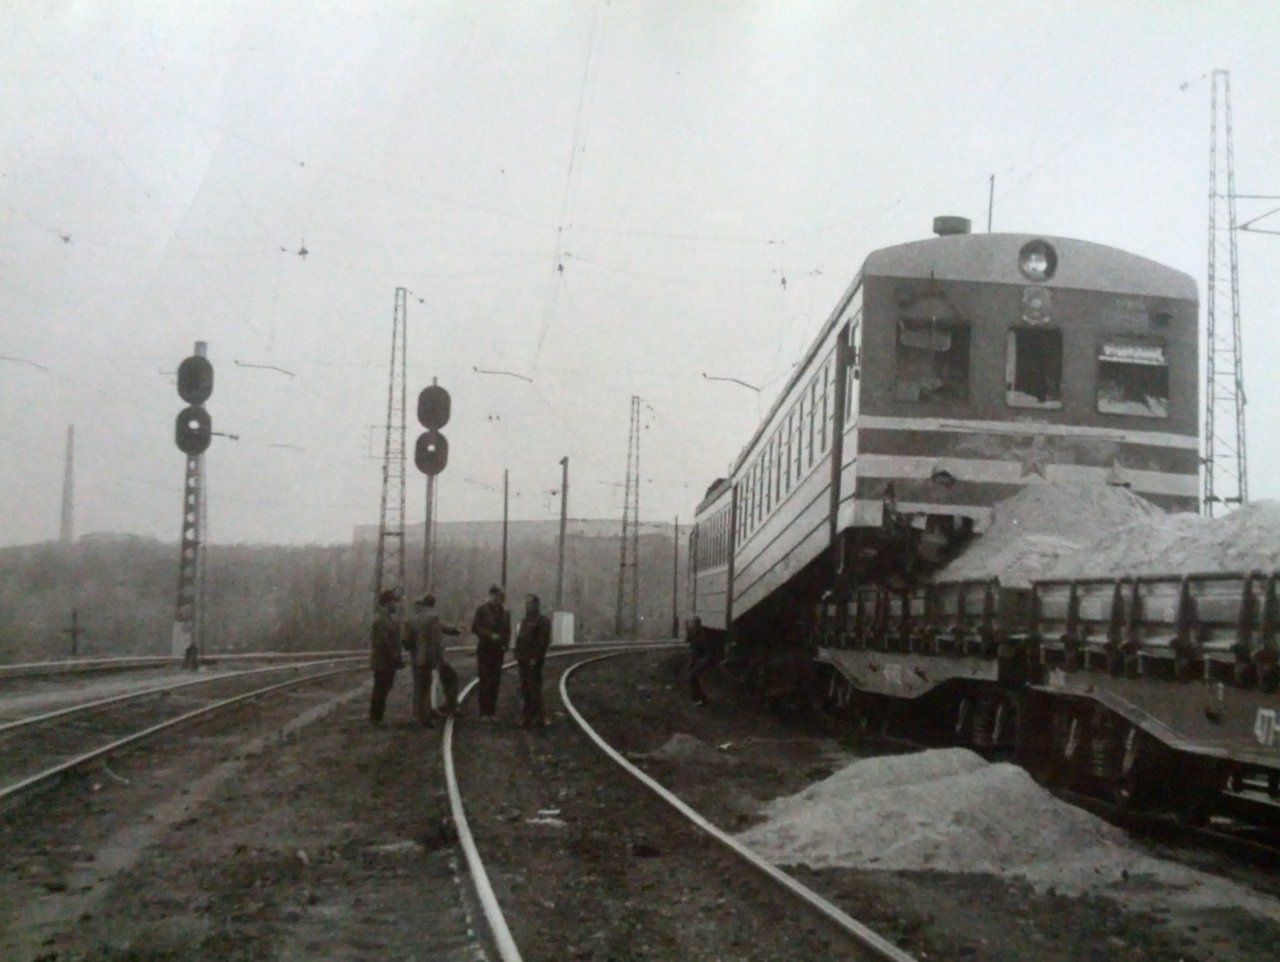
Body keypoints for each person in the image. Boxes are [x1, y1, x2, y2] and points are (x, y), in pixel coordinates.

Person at [407, 593, 462, 725]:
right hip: (431, 657)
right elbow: (435, 640)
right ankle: (446, 708)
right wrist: (436, 659)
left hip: (417, 657)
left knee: (420, 687)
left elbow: (407, 641)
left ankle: (418, 714)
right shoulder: (432, 617)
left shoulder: (411, 619)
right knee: (447, 679)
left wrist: (414, 653)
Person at [470, 585, 511, 720]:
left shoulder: (505, 612)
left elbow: (507, 630)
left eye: (503, 596)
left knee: (495, 681)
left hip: (498, 650)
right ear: (492, 596)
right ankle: (484, 712)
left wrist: (505, 644)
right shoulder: (482, 610)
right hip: (485, 649)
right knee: (485, 680)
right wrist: (489, 635)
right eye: (499, 596)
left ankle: (491, 712)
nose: (502, 599)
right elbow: (475, 627)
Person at [514, 593, 552, 729]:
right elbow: (520, 638)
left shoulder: (543, 622)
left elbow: (542, 642)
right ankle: (527, 717)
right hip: (523, 659)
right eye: (526, 604)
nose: (527, 606)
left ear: (536, 604)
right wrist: (517, 654)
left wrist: (535, 657)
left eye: (529, 603)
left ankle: (538, 717)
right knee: (525, 688)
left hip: (533, 660)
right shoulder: (525, 621)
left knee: (534, 688)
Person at [369, 589, 404, 726]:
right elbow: (384, 641)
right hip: (383, 662)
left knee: (383, 688)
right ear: (386, 603)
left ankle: (377, 717)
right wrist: (395, 656)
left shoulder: (386, 619)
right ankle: (376, 718)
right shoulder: (382, 620)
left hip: (386, 661)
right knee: (381, 689)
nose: (395, 605)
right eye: (393, 602)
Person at [686, 615, 715, 705]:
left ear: (697, 624)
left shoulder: (703, 636)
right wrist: (691, 661)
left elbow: (708, 651)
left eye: (693, 623)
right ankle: (698, 698)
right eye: (691, 623)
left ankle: (701, 699)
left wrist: (703, 661)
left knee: (694, 677)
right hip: (698, 659)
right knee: (693, 677)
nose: (691, 625)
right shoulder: (693, 634)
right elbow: (692, 650)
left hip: (705, 659)